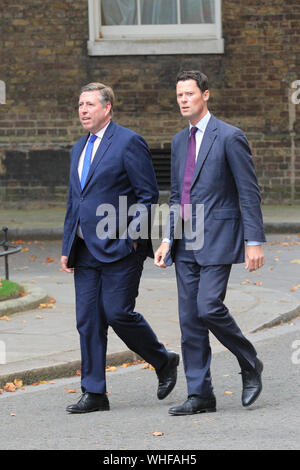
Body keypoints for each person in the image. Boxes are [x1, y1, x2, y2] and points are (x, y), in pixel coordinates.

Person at [61, 82, 179, 414]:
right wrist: (67, 245)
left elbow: (148, 195)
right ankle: (95, 392)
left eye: (89, 104)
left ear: (107, 107)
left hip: (121, 249)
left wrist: (131, 236)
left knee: (116, 312)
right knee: (88, 320)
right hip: (84, 251)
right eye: (80, 104)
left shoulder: (128, 142)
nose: (83, 110)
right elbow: (75, 201)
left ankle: (163, 360)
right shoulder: (78, 149)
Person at [155, 70, 265, 415]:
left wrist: (254, 240)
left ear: (206, 95)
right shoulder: (177, 142)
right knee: (189, 321)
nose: (183, 100)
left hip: (218, 236)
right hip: (184, 241)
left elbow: (248, 192)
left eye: (189, 93)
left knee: (208, 308)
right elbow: (176, 196)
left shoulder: (230, 137)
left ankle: (250, 362)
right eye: (179, 95)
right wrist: (166, 237)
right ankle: (200, 394)